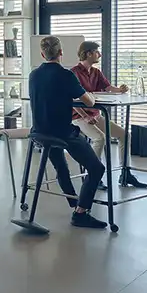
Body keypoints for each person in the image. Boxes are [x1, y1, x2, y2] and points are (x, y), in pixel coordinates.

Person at [29, 36, 107, 229]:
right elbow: (88, 102)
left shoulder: (33, 75)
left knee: (61, 167)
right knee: (97, 169)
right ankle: (80, 212)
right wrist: (90, 95)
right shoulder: (66, 75)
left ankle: (75, 204)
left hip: (39, 132)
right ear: (61, 53)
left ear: (42, 54)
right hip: (62, 133)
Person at [70, 41, 147, 189]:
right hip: (79, 117)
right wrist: (85, 116)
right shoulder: (73, 73)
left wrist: (120, 90)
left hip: (96, 115)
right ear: (88, 53)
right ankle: (92, 175)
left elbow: (107, 87)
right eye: (97, 52)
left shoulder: (96, 72)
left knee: (125, 135)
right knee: (99, 138)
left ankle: (126, 174)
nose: (99, 54)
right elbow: (71, 99)